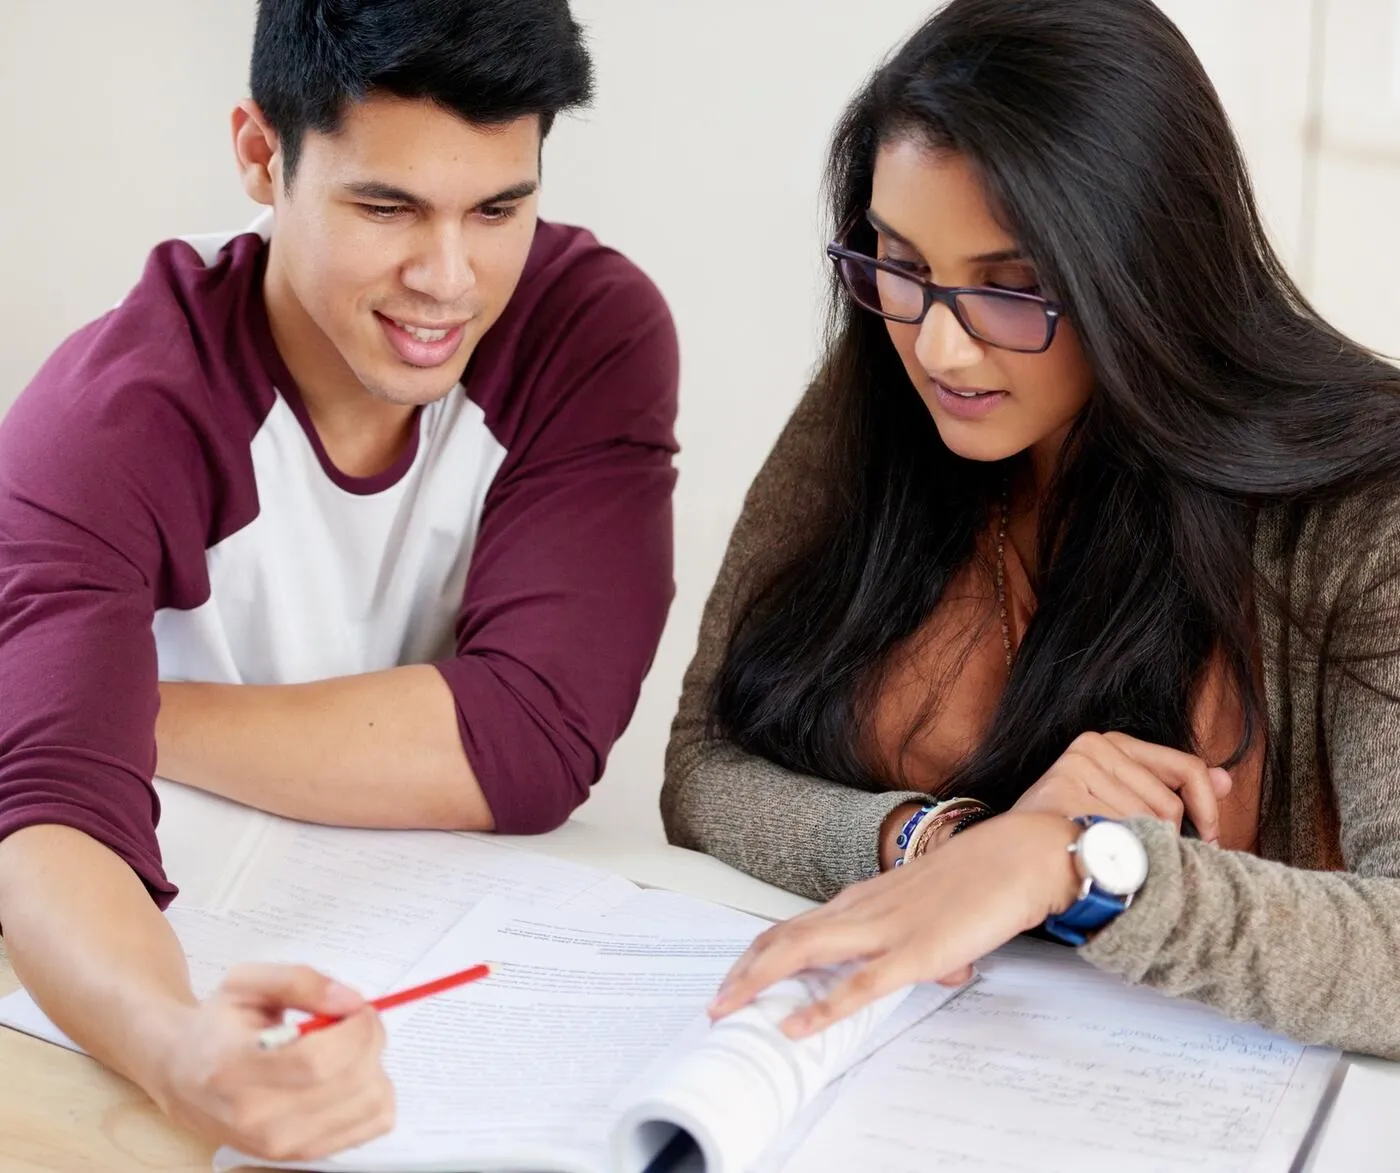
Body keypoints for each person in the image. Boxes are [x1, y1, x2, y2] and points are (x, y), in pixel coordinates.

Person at [0, 0, 677, 1158]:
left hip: (459, 974)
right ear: (263, 156)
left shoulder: (586, 332)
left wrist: (124, 718)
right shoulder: (111, 420)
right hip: (171, 954)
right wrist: (174, 1049)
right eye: (386, 206)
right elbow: (50, 812)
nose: (448, 280)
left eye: (498, 208)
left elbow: (532, 742)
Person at [664, 0, 1400, 1059]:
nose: (942, 349)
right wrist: (943, 844)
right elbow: (700, 768)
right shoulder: (875, 388)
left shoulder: (1362, 501)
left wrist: (1072, 865)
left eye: (1015, 291)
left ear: (1144, 270)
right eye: (900, 262)